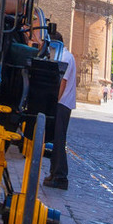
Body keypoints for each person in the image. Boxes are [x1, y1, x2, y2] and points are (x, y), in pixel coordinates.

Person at [43, 33, 76, 190]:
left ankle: (60, 176)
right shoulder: (66, 56)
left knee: (59, 140)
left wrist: (53, 101)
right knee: (57, 140)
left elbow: (62, 82)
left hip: (62, 103)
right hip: (64, 103)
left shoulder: (64, 57)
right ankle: (55, 173)